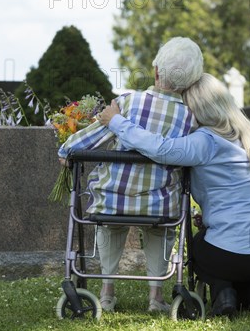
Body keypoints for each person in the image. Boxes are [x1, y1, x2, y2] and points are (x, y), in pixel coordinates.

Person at [98, 73, 250, 318]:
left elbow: (160, 148)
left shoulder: (205, 140)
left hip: (231, 255)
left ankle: (224, 292)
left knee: (199, 245)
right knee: (239, 263)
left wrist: (116, 121)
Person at [58, 37, 203, 313]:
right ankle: (156, 296)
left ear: (157, 71)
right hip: (159, 205)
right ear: (192, 82)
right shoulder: (190, 118)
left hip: (112, 202)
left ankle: (106, 292)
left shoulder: (127, 103)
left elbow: (91, 138)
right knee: (160, 228)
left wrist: (66, 151)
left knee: (111, 222)